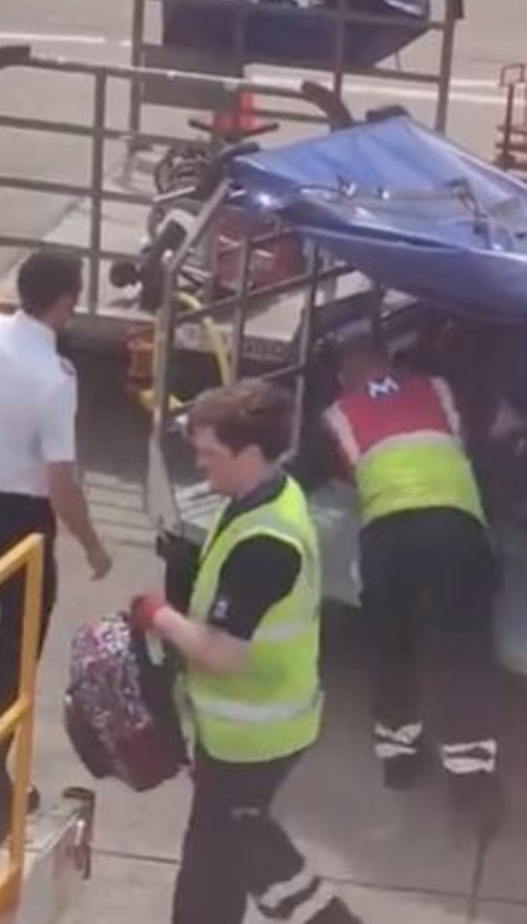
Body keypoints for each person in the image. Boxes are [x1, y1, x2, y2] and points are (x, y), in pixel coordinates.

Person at [132, 379, 362, 924]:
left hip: (253, 737)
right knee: (224, 856)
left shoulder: (266, 543)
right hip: (248, 728)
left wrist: (157, 616)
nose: (200, 462)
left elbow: (223, 653)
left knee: (230, 858)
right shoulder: (262, 497)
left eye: (210, 453)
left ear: (250, 454)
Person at [0, 249, 112, 807]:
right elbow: (59, 482)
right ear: (66, 301)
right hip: (22, 519)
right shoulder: (55, 378)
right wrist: (92, 545)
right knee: (16, 648)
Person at [322, 332, 501, 820]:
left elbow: (341, 476)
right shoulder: (435, 388)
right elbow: (470, 442)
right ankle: (469, 776)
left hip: (389, 532)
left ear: (343, 379)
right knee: (464, 645)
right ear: (390, 363)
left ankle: (398, 758)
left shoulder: (339, 413)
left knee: (391, 643)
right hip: (454, 524)